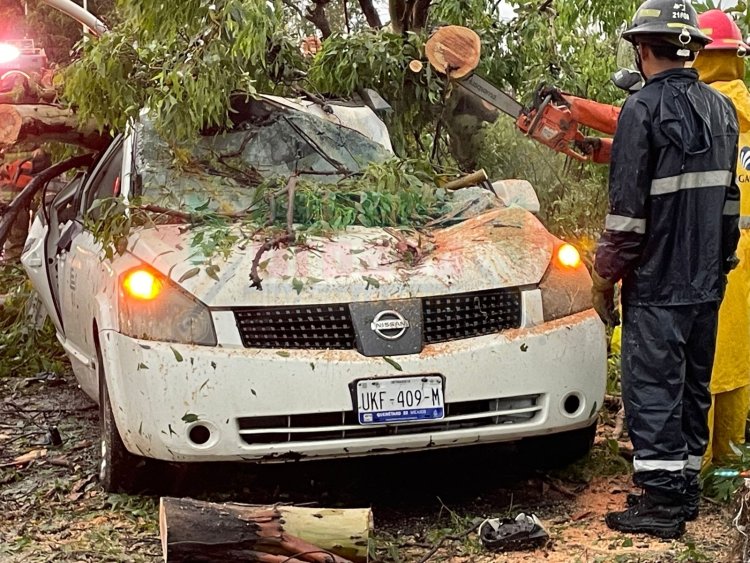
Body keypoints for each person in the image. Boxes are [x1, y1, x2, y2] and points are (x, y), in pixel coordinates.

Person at [591, 0, 741, 539]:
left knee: (654, 388)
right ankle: (684, 491)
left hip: (657, 284)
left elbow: (627, 216)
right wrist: (721, 266)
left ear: (641, 48)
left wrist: (603, 275)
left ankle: (660, 506)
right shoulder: (721, 111)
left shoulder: (641, 110)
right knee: (692, 386)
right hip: (707, 281)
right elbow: (728, 205)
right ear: (693, 49)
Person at [692, 9, 750, 468]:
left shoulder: (696, 115)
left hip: (711, 254)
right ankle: (731, 464)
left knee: (703, 359)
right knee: (739, 360)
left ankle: (701, 460)